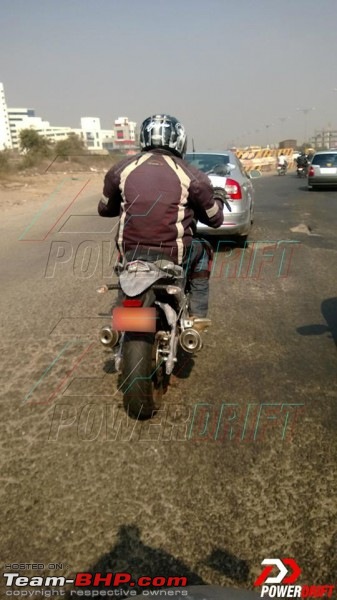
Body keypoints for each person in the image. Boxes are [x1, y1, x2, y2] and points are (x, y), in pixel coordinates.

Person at [97, 114, 226, 321]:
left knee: (123, 260)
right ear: (179, 140)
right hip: (173, 256)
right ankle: (198, 316)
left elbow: (104, 209)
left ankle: (124, 304)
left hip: (131, 254)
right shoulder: (192, 176)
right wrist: (219, 198)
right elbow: (215, 220)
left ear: (144, 138)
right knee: (204, 251)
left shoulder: (121, 169)